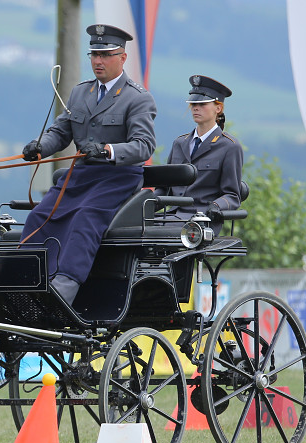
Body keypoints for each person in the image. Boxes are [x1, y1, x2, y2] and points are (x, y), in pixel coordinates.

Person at [21, 24, 156, 305]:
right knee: (38, 216)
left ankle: (63, 288)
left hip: (117, 179)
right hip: (80, 176)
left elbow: (144, 146)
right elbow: (60, 132)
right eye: (94, 54)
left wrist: (108, 150)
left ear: (122, 57)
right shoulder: (79, 93)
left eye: (105, 55)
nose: (98, 61)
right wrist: (39, 147)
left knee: (85, 217)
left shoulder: (137, 98)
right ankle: (25, 282)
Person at [157, 75, 243, 235]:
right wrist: (146, 202)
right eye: (193, 103)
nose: (196, 108)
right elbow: (164, 188)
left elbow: (232, 195)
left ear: (218, 108)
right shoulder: (179, 143)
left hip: (201, 221)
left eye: (202, 104)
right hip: (170, 218)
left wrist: (216, 207)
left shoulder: (229, 147)